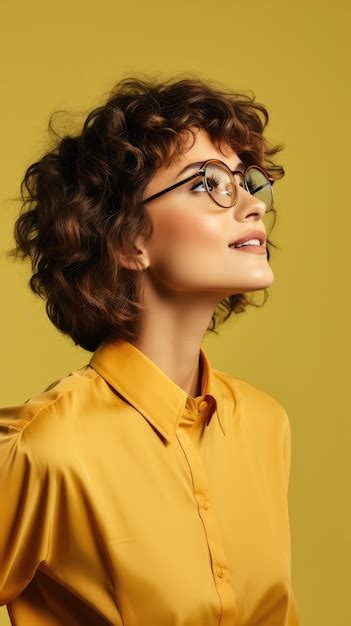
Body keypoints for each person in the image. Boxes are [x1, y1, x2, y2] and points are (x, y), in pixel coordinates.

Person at [0, 74, 299, 625]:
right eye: (208, 183)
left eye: (246, 181)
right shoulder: (45, 449)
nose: (252, 205)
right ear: (128, 240)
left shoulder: (265, 424)